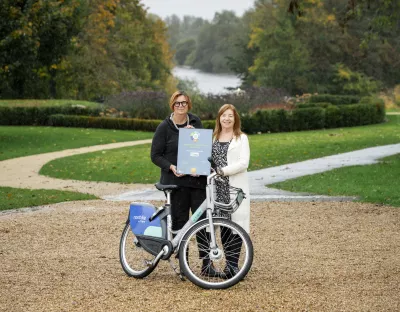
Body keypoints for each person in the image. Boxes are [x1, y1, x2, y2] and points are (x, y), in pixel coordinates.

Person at [151, 90, 218, 276]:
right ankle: (183, 265)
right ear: (172, 105)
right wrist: (171, 167)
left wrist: (195, 136)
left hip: (197, 181)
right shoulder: (164, 127)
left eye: (184, 103)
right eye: (177, 103)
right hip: (176, 183)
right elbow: (155, 156)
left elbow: (202, 147)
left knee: (202, 222)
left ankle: (207, 265)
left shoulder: (195, 122)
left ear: (189, 105)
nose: (181, 106)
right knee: (180, 223)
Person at [212, 104, 250, 278]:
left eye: (230, 116)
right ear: (219, 118)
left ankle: (233, 267)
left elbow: (244, 163)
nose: (226, 119)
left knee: (236, 227)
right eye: (223, 115)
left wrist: (223, 171)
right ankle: (229, 265)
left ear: (235, 119)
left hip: (234, 187)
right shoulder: (212, 137)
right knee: (223, 227)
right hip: (216, 188)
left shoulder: (241, 138)